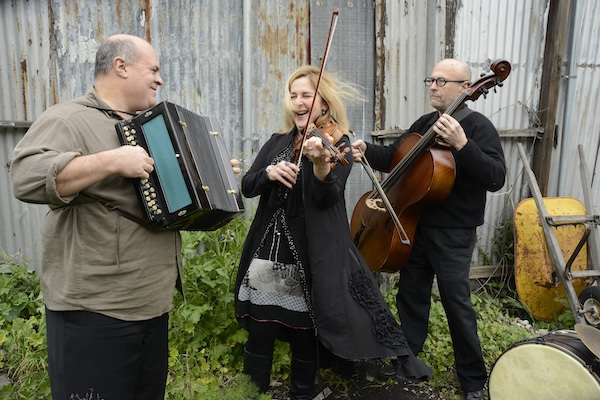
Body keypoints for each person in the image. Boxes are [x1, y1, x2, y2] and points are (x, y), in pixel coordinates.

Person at [9, 34, 240, 399]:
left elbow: (160, 199)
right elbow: (25, 177)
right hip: (95, 309)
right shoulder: (68, 119)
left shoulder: (149, 126)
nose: (160, 79)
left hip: (150, 301)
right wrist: (112, 160)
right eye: (153, 69)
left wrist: (209, 174)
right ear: (121, 66)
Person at [234, 65, 432, 400]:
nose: (298, 102)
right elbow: (249, 185)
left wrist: (322, 164)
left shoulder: (338, 144)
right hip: (268, 251)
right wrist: (268, 172)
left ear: (323, 102)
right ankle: (251, 393)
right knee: (260, 330)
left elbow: (328, 197)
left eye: (306, 96)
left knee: (303, 332)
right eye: (293, 95)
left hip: (309, 253)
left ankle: (301, 393)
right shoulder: (277, 142)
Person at [351, 58, 506, 400]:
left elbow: (496, 177)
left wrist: (463, 146)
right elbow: (397, 156)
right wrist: (367, 150)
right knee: (411, 296)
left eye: (440, 80)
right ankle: (408, 361)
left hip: (453, 233)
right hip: (414, 224)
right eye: (430, 79)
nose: (432, 86)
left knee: (456, 304)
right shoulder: (424, 123)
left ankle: (473, 382)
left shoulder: (478, 127)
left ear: (465, 88)